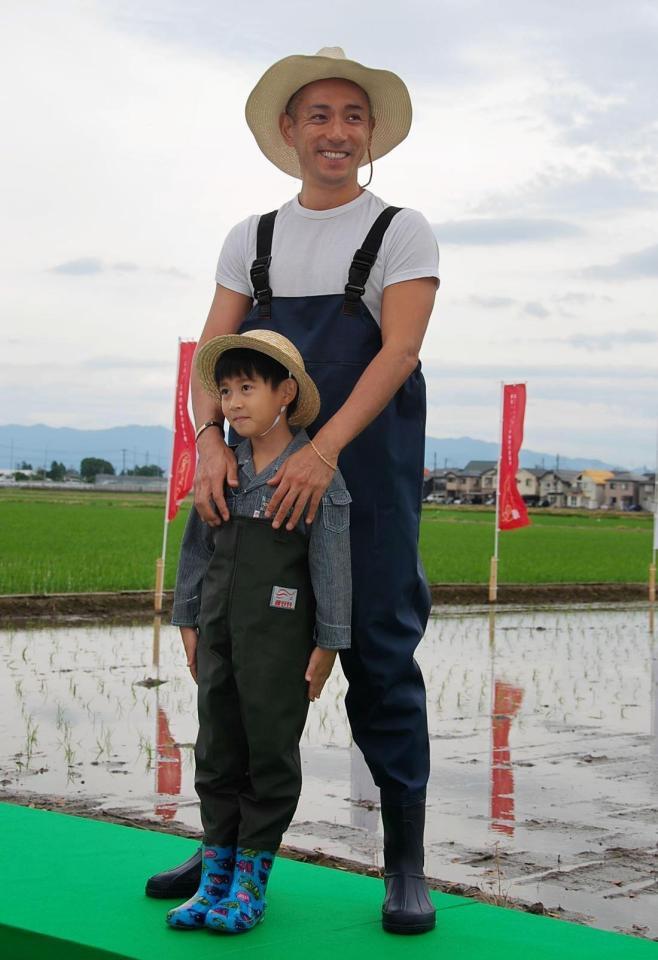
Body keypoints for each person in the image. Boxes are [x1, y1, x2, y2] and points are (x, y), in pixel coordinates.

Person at [147, 46, 440, 935]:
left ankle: (405, 862)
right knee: (234, 666)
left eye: (353, 117)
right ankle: (223, 842)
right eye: (318, 115)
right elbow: (210, 359)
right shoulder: (253, 238)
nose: (337, 132)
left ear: (373, 133)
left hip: (370, 478)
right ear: (288, 130)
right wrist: (205, 438)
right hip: (258, 484)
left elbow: (397, 353)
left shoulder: (402, 231)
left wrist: (325, 452)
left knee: (381, 661)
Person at [166, 329, 351, 934]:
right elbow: (197, 550)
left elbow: (330, 560)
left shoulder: (311, 473)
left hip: (280, 641)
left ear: (285, 393)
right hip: (218, 632)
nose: (233, 402)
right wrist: (187, 619)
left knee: (268, 754)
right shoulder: (222, 468)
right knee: (216, 748)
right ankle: (214, 877)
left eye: (248, 387)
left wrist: (328, 643)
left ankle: (251, 882)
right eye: (224, 390)